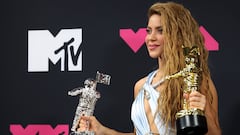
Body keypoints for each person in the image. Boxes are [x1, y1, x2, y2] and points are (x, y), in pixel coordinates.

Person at [78, 1, 221, 135]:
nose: (150, 38)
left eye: (160, 31)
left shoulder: (194, 81)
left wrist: (205, 111)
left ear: (178, 35)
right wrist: (101, 130)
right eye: (148, 31)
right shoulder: (140, 86)